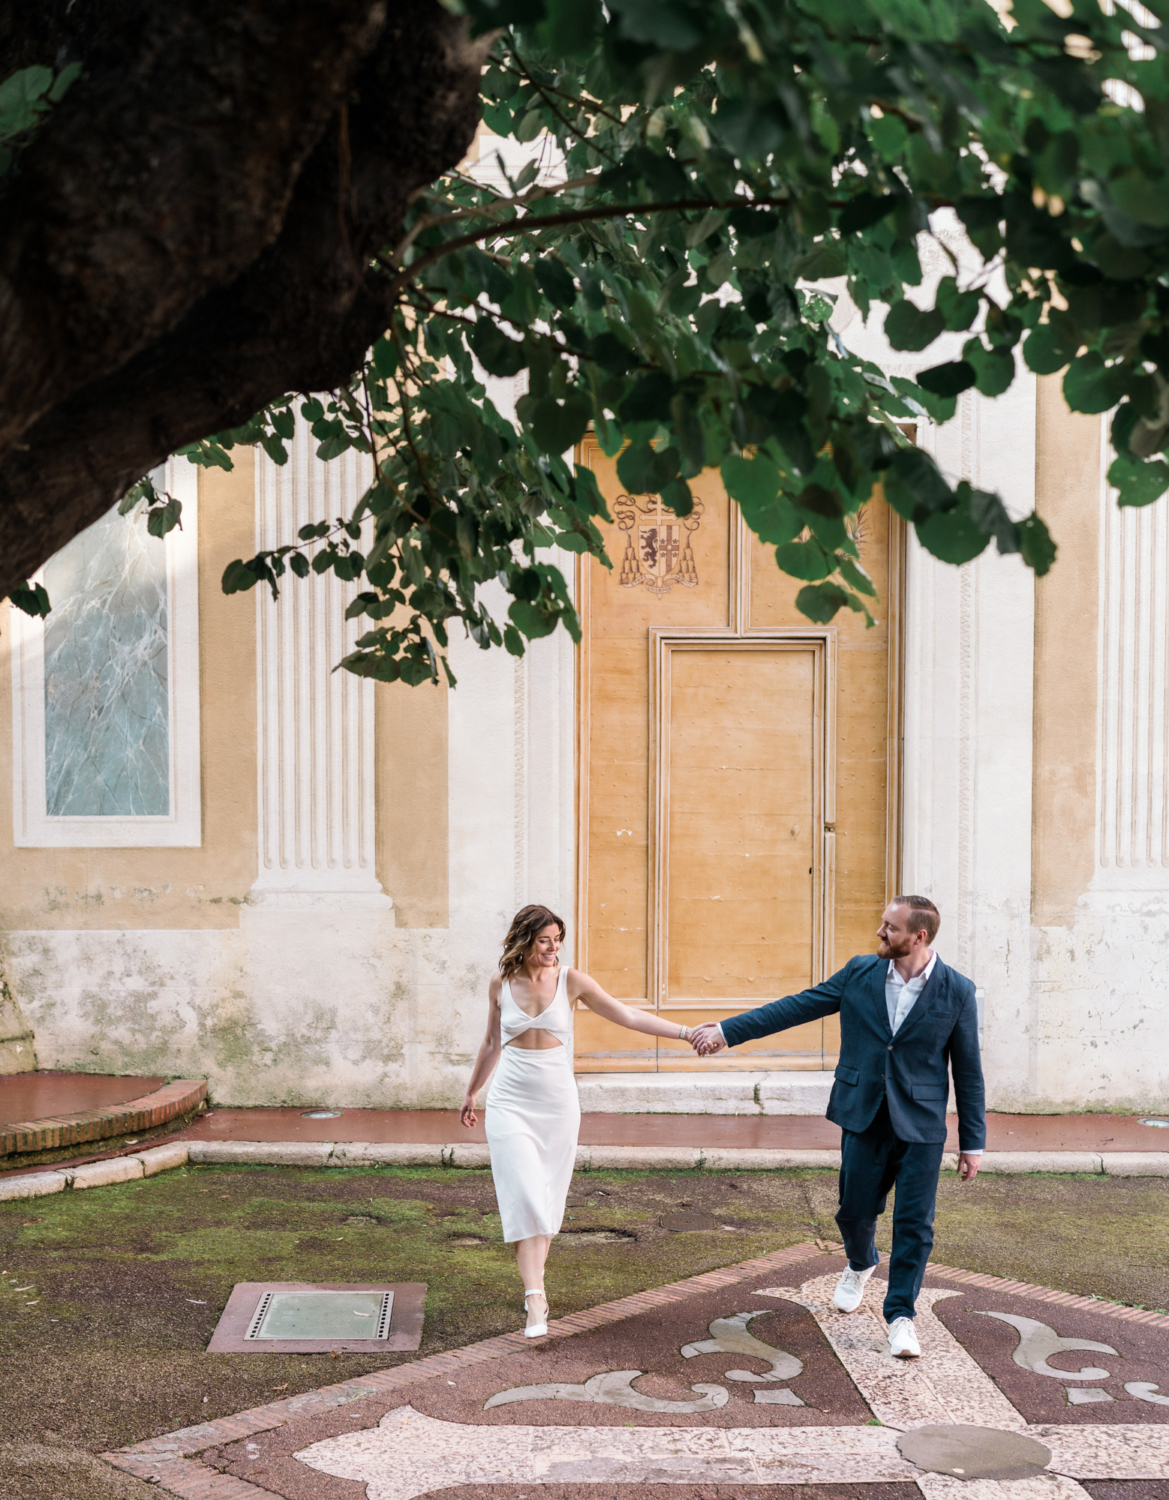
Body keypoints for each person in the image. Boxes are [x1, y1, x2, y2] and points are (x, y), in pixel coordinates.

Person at [688, 895, 984, 1360]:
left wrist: (974, 1142)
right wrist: (729, 1031)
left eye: (890, 926)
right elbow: (796, 1007)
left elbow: (968, 1070)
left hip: (922, 1123)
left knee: (915, 1224)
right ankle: (862, 1261)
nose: (880, 932)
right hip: (864, 1111)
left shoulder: (957, 990)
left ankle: (901, 1316)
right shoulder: (860, 973)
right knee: (853, 1211)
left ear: (918, 936)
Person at [460, 903, 698, 1338]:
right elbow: (492, 1041)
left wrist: (685, 1033)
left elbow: (627, 1016)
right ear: (524, 940)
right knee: (525, 1192)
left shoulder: (571, 980)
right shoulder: (500, 983)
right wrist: (473, 1090)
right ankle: (535, 1298)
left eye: (557, 940)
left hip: (556, 1103)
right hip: (510, 1099)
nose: (553, 948)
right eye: (544, 940)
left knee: (546, 1197)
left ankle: (536, 1292)